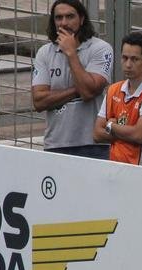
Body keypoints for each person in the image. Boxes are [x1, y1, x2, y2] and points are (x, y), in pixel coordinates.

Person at [30, 1, 114, 158]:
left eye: (70, 17)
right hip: (56, 143)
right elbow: (39, 101)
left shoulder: (101, 49)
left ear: (82, 19)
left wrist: (71, 53)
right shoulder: (44, 53)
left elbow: (88, 92)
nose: (64, 23)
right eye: (58, 18)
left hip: (93, 145)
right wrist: (77, 90)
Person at [94, 33, 142, 168]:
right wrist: (128, 131)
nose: (128, 64)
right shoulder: (113, 89)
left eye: (135, 59)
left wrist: (111, 126)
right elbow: (97, 134)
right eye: (125, 58)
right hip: (116, 168)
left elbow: (139, 135)